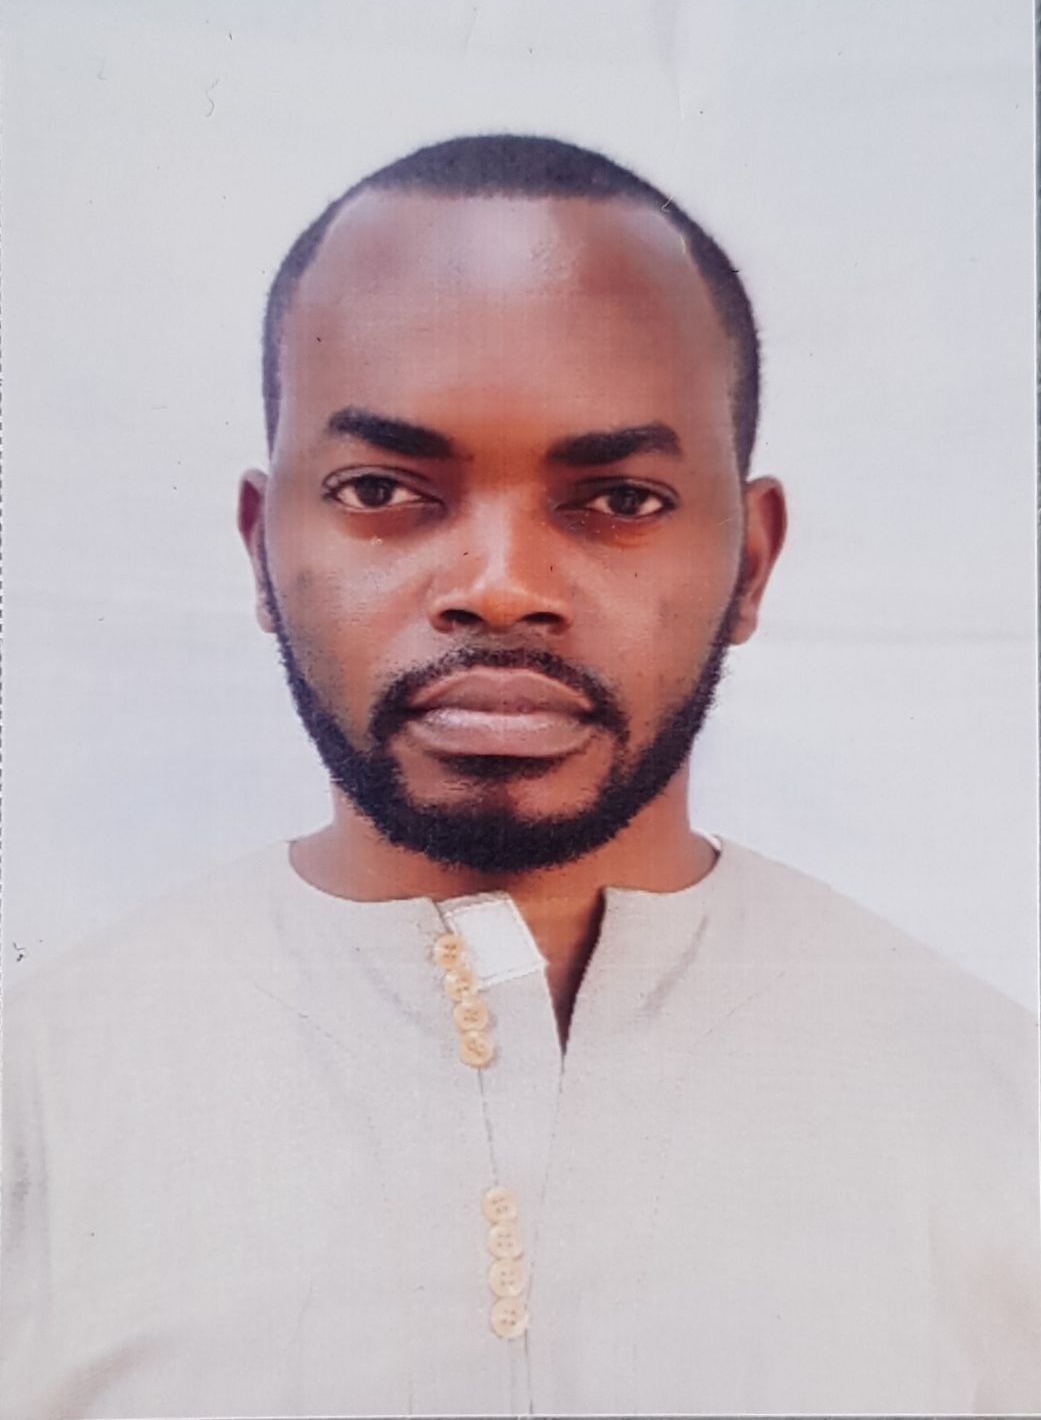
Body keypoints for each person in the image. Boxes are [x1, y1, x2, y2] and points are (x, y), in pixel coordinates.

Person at [2, 134, 1038, 1418]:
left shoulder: (1000, 1115)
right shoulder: (39, 1108)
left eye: (620, 500)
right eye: (383, 489)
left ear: (752, 564)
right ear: (262, 549)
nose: (500, 587)